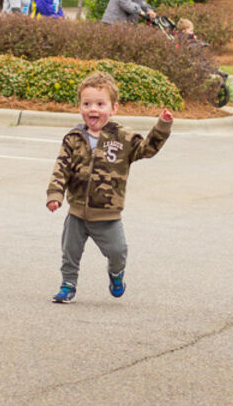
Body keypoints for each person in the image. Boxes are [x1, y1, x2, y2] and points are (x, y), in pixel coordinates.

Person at [46, 71, 173, 304]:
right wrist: (55, 194)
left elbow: (147, 149)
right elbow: (60, 168)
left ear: (113, 108)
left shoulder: (123, 137)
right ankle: (68, 284)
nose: (93, 109)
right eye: (87, 104)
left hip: (108, 214)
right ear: (80, 106)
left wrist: (162, 126)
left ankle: (116, 274)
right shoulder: (74, 138)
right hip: (77, 212)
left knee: (118, 251)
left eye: (100, 104)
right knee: (69, 251)